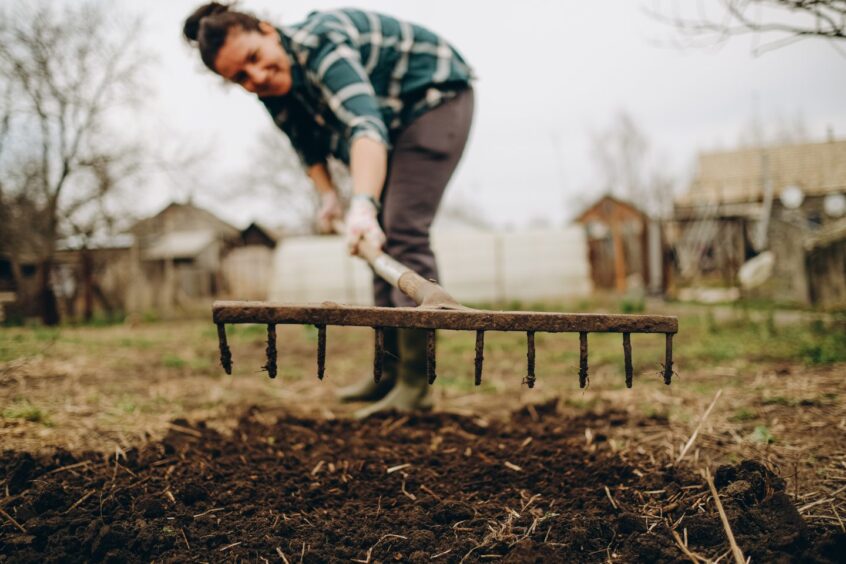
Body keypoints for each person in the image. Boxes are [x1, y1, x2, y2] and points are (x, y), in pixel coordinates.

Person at [183, 3, 474, 417]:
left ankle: (416, 386)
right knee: (378, 246)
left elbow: (364, 125)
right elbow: (307, 146)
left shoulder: (321, 44)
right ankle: (387, 375)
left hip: (433, 100)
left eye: (254, 59)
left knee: (401, 229)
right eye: (241, 78)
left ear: (268, 30)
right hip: (392, 122)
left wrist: (362, 205)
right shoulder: (273, 89)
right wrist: (329, 197)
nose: (257, 77)